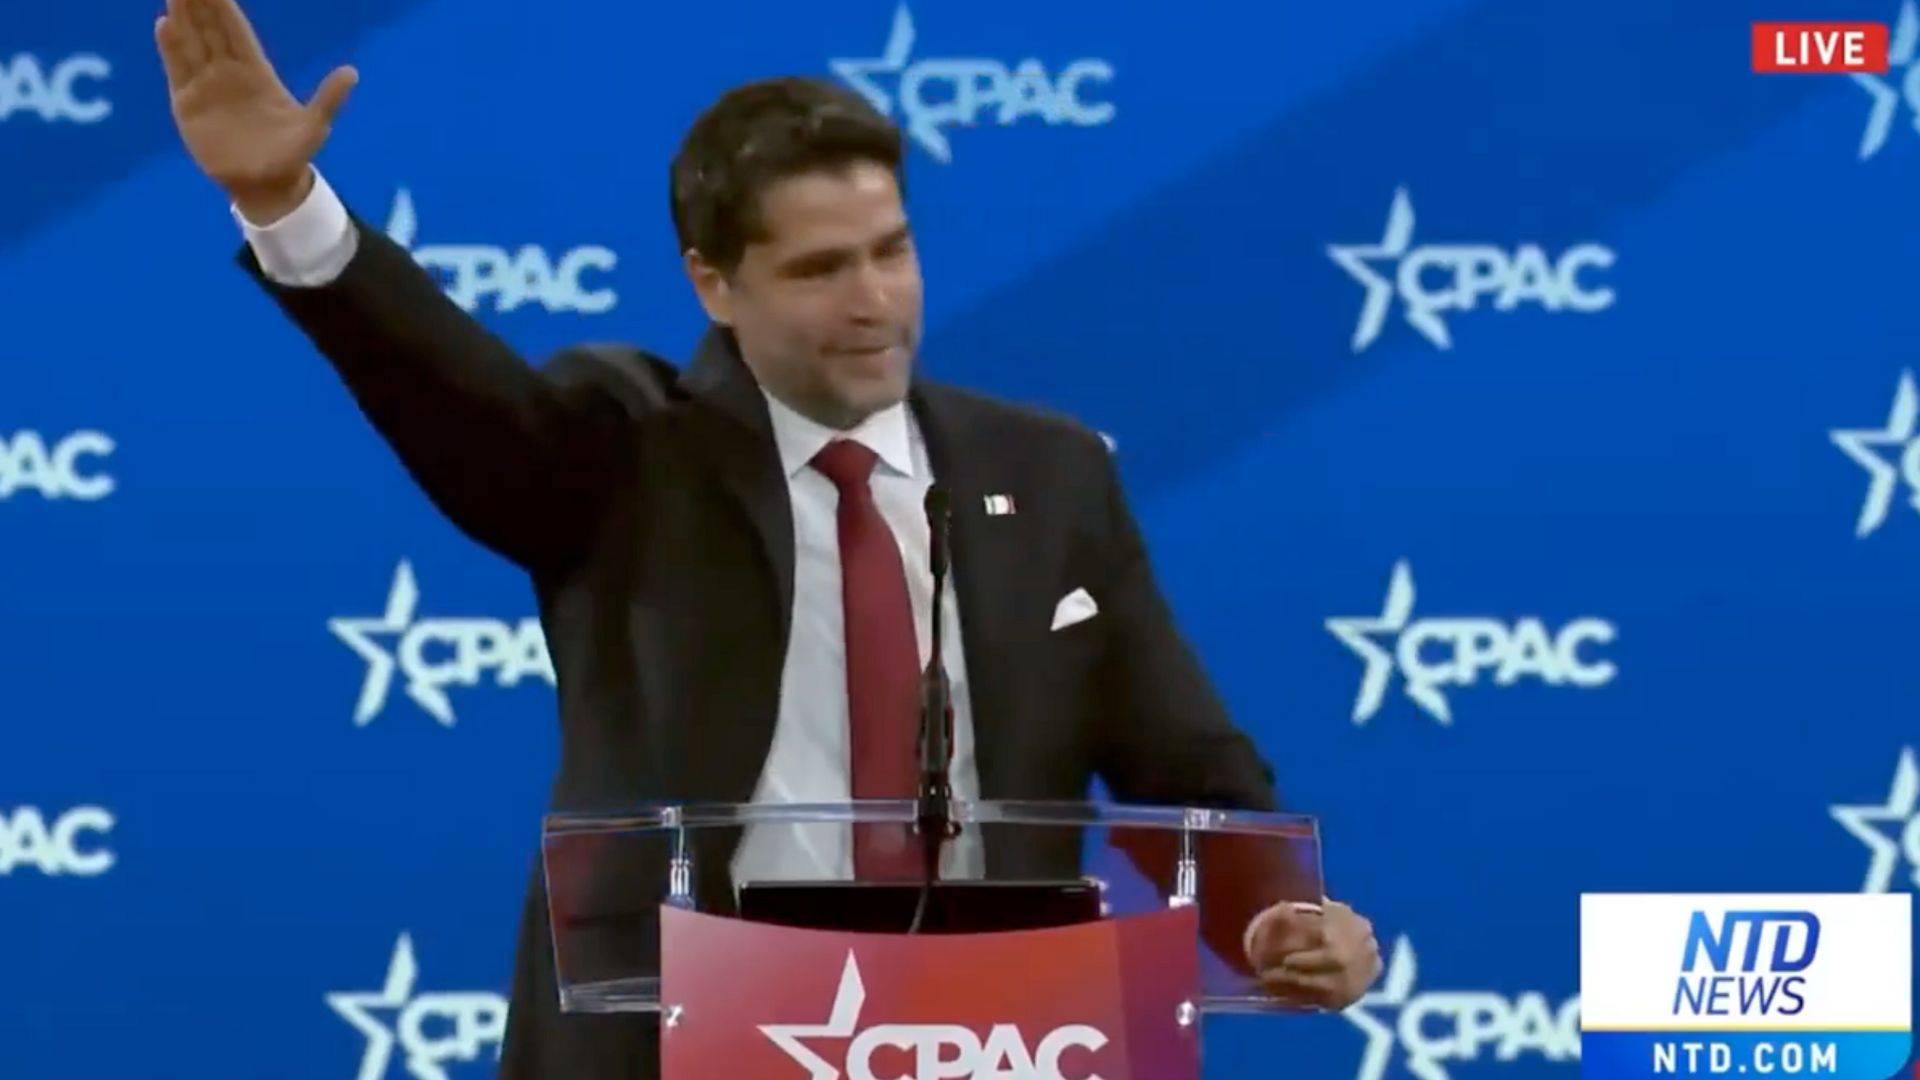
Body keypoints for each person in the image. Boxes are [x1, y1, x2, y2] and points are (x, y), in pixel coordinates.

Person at [154, 0, 1383, 1074]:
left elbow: (1189, 762)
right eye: (818, 270)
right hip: (683, 1042)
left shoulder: (1046, 473)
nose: (873, 302)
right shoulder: (629, 448)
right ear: (713, 283)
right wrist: (288, 205)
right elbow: (460, 400)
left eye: (892, 252)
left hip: (996, 1039)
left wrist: (1280, 912)